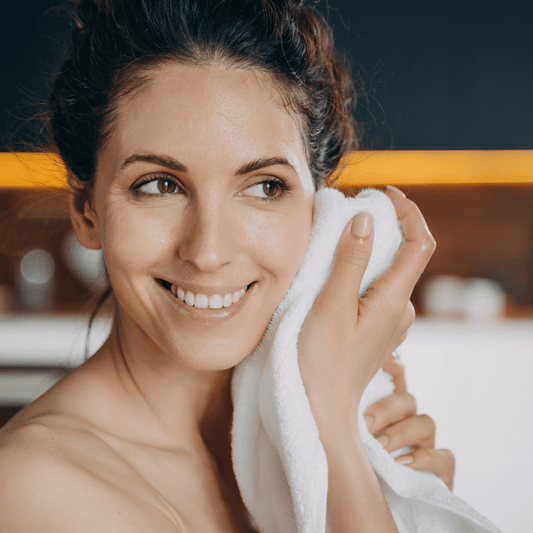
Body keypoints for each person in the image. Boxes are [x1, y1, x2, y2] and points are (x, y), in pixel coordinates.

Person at [0, 0, 454, 531]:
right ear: (88, 212)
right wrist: (333, 430)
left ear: (323, 209)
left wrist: (402, 501)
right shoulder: (31, 488)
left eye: (265, 187)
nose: (208, 251)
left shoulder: (299, 446)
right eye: (159, 185)